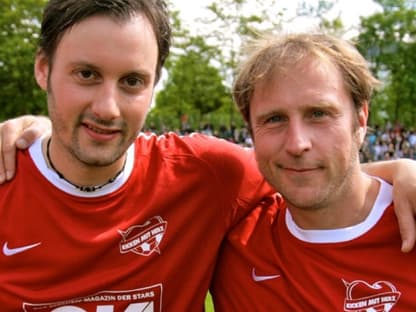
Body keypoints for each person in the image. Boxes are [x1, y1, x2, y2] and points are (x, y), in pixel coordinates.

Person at [1, 2, 416, 310]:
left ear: (153, 86)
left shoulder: (206, 175)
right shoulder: (8, 177)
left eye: (132, 80)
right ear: (43, 69)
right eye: (86, 74)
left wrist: (401, 171)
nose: (108, 107)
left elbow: (300, 171)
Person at [210, 33, 416, 310]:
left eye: (318, 114)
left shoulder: (408, 221)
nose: (297, 143)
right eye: (274, 119)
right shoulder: (234, 240)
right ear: (252, 134)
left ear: (361, 120)